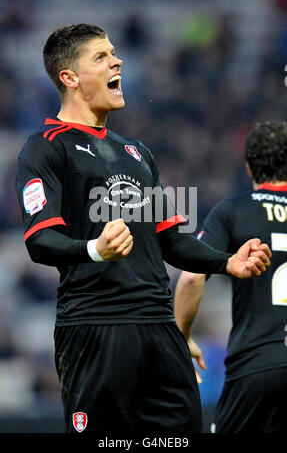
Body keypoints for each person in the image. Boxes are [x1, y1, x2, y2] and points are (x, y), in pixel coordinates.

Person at [15, 24, 271, 436]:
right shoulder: (46, 147)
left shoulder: (137, 154)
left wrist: (229, 262)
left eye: (114, 53)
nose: (117, 61)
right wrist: (95, 249)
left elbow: (172, 240)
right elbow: (39, 239)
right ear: (69, 77)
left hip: (159, 327)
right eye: (100, 57)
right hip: (97, 327)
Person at [174, 121, 287, 433]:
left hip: (257, 365)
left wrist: (181, 338)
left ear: (249, 168)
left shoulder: (232, 211)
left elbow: (192, 278)